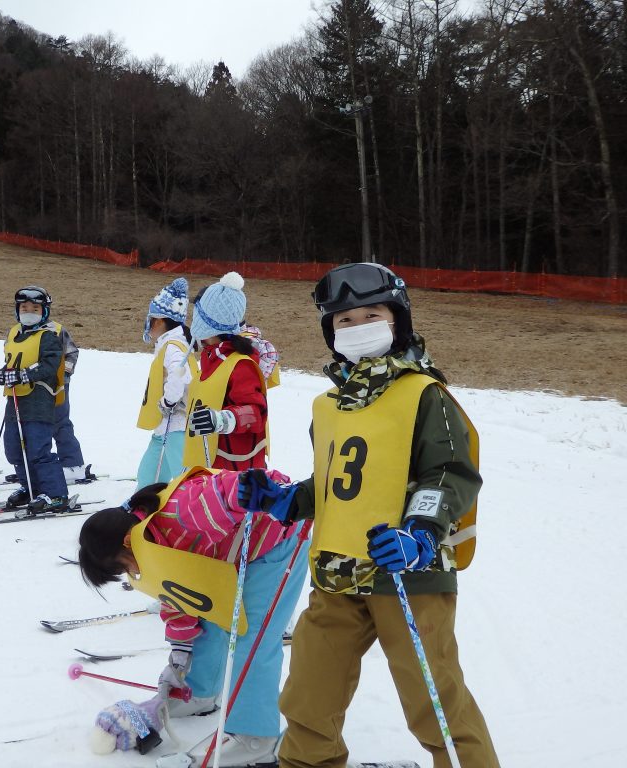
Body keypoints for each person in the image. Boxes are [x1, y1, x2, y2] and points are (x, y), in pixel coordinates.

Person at [271, 262, 499, 768]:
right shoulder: (329, 405)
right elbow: (341, 482)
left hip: (408, 572)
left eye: (371, 314)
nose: (356, 328)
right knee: (310, 694)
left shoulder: (424, 394)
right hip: (338, 573)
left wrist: (419, 533)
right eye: (343, 321)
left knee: (433, 701)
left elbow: (449, 475)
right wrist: (287, 499)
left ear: (397, 321)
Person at [78, 466, 311, 768]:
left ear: (125, 542)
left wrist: (244, 490)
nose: (131, 573)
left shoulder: (178, 513)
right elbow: (178, 597)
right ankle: (199, 693)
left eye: (123, 567)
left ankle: (255, 736)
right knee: (212, 618)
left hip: (276, 544)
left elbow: (219, 493)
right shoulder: (150, 544)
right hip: (233, 558)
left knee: (248, 637)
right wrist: (180, 654)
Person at [0, 286, 71, 514]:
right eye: (24, 308)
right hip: (15, 400)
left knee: (37, 448)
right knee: (14, 448)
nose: (29, 312)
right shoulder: (14, 334)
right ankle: (30, 487)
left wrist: (23, 374)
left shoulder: (48, 337)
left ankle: (55, 494)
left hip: (39, 399)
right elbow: (14, 363)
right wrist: (0, 374)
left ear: (44, 312)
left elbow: (49, 366)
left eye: (35, 308)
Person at [183, 272, 269, 471]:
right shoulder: (211, 358)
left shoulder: (240, 365)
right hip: (206, 464)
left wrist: (221, 419)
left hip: (233, 474)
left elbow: (256, 413)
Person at [136, 277, 196, 487]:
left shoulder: (172, 346)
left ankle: (190, 511)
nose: (148, 324)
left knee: (183, 479)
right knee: (148, 475)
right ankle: (143, 506)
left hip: (175, 424)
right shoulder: (173, 343)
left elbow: (181, 374)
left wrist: (169, 401)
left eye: (150, 319)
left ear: (160, 321)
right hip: (166, 427)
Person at [53, 325, 94, 484]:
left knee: (59, 423)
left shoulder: (56, 330)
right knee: (33, 427)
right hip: (30, 389)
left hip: (58, 386)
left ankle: (73, 465)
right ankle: (33, 466)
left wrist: (62, 375)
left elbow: (71, 353)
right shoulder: (19, 331)